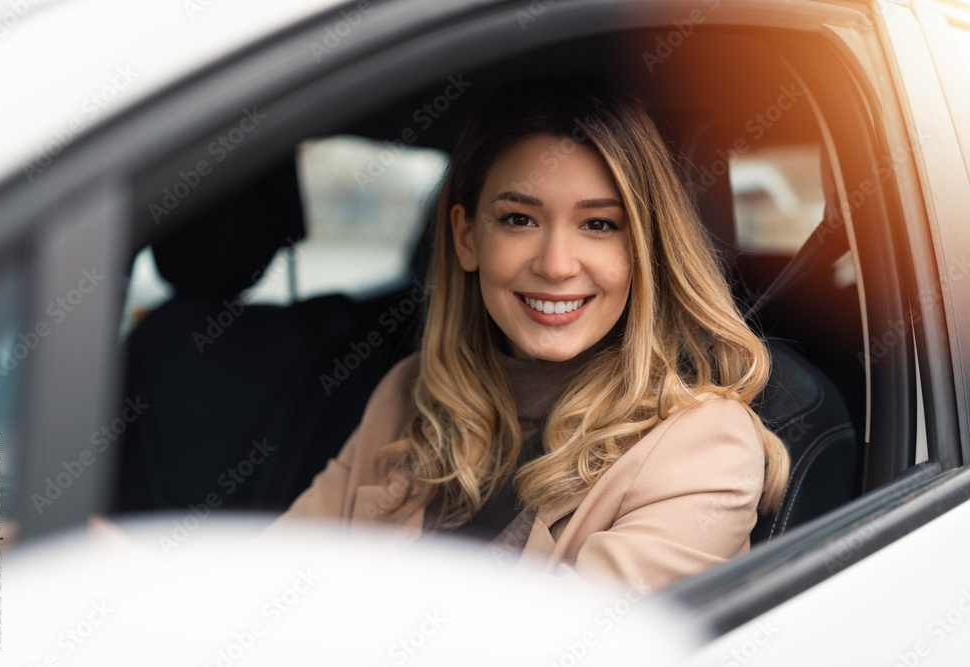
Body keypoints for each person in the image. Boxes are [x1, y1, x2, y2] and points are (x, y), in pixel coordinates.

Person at [276, 77, 789, 594]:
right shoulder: (408, 395)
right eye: (519, 219)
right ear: (466, 237)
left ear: (644, 249)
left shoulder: (704, 445)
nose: (556, 265)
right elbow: (271, 579)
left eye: (599, 225)